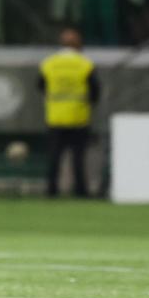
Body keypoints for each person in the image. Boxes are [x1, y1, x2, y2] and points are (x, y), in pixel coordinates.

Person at [37, 28, 99, 197]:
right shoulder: (85, 63)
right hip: (79, 117)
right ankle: (80, 191)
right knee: (78, 158)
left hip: (55, 117)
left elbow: (41, 86)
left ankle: (51, 190)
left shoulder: (49, 63)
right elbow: (95, 90)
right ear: (78, 44)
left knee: (54, 157)